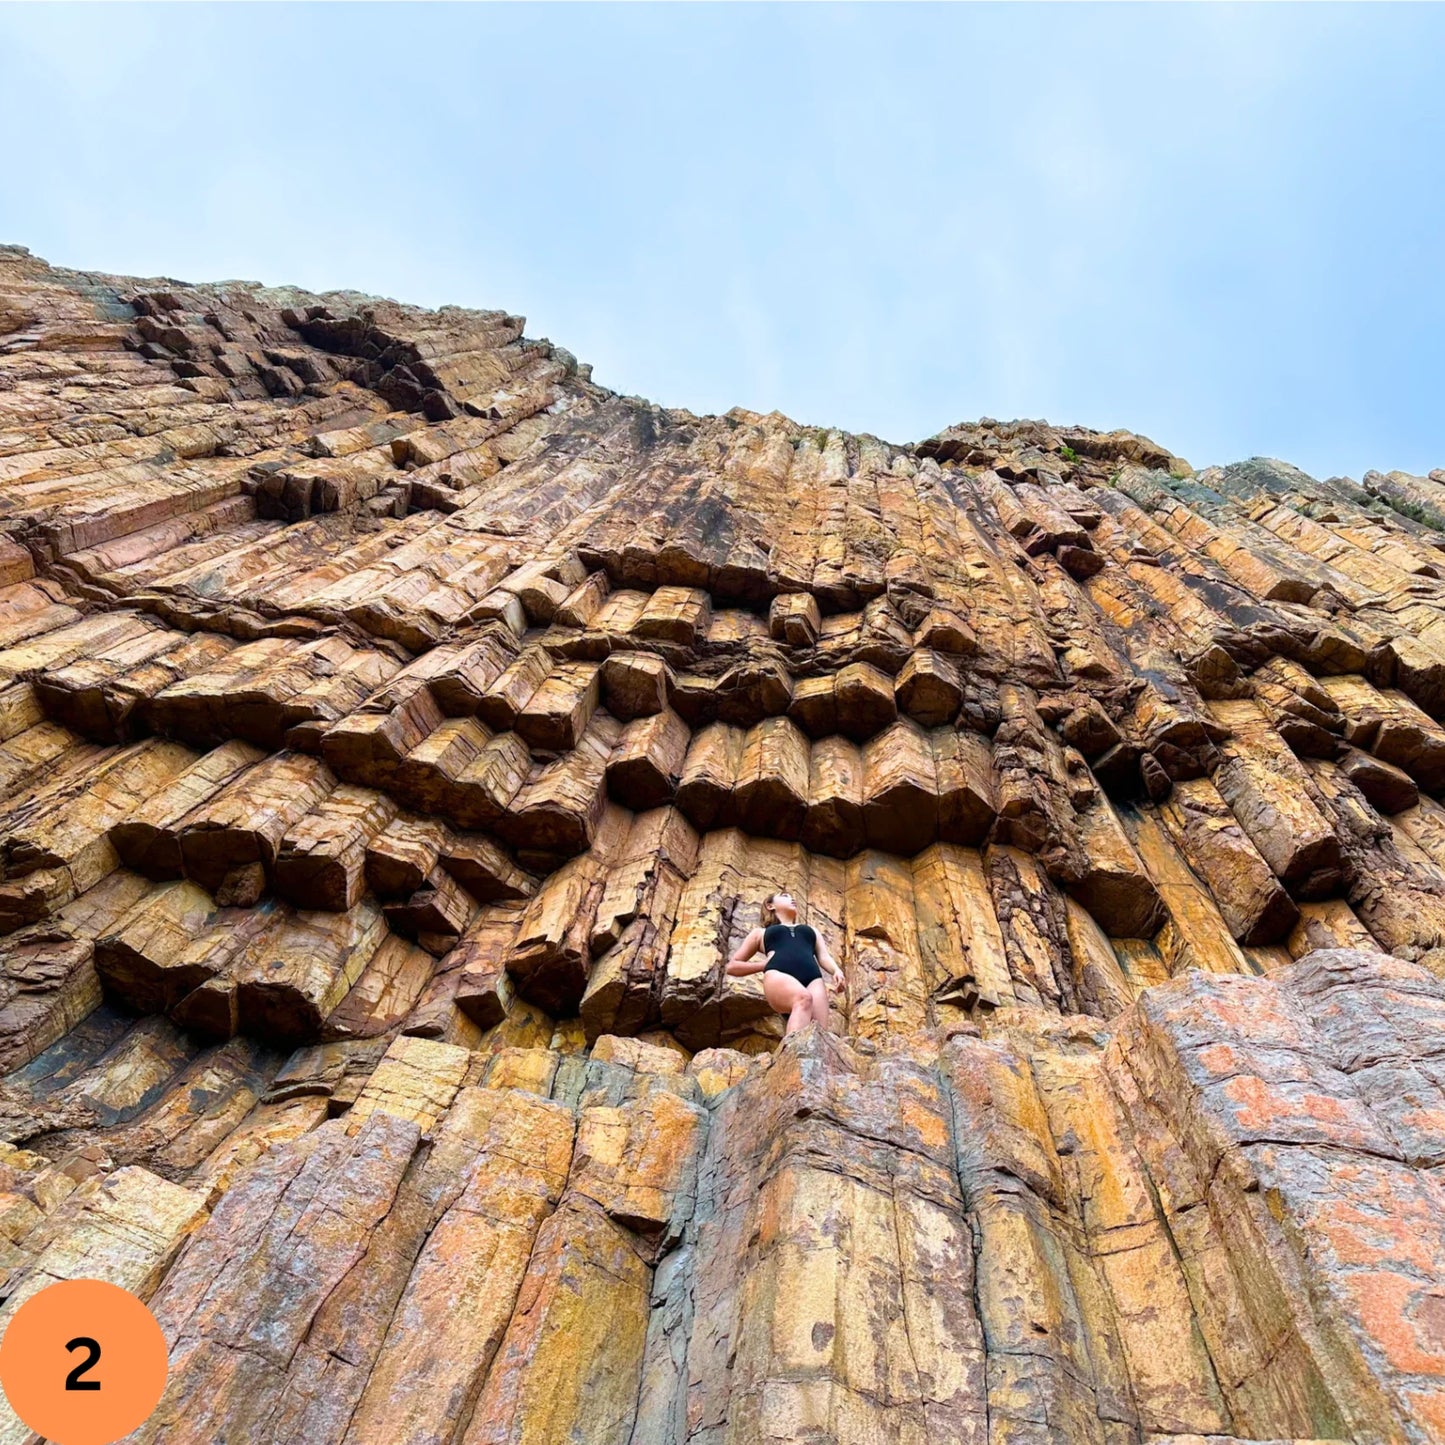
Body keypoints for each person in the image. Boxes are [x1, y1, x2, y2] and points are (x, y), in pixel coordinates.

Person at [725, 889, 845, 1036]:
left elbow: (823, 957)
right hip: (777, 974)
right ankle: (792, 1055)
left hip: (813, 978)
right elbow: (732, 966)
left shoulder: (811, 930)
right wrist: (763, 965)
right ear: (770, 906)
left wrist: (836, 971)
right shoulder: (760, 933)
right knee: (803, 998)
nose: (792, 898)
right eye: (784, 896)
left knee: (819, 1030)